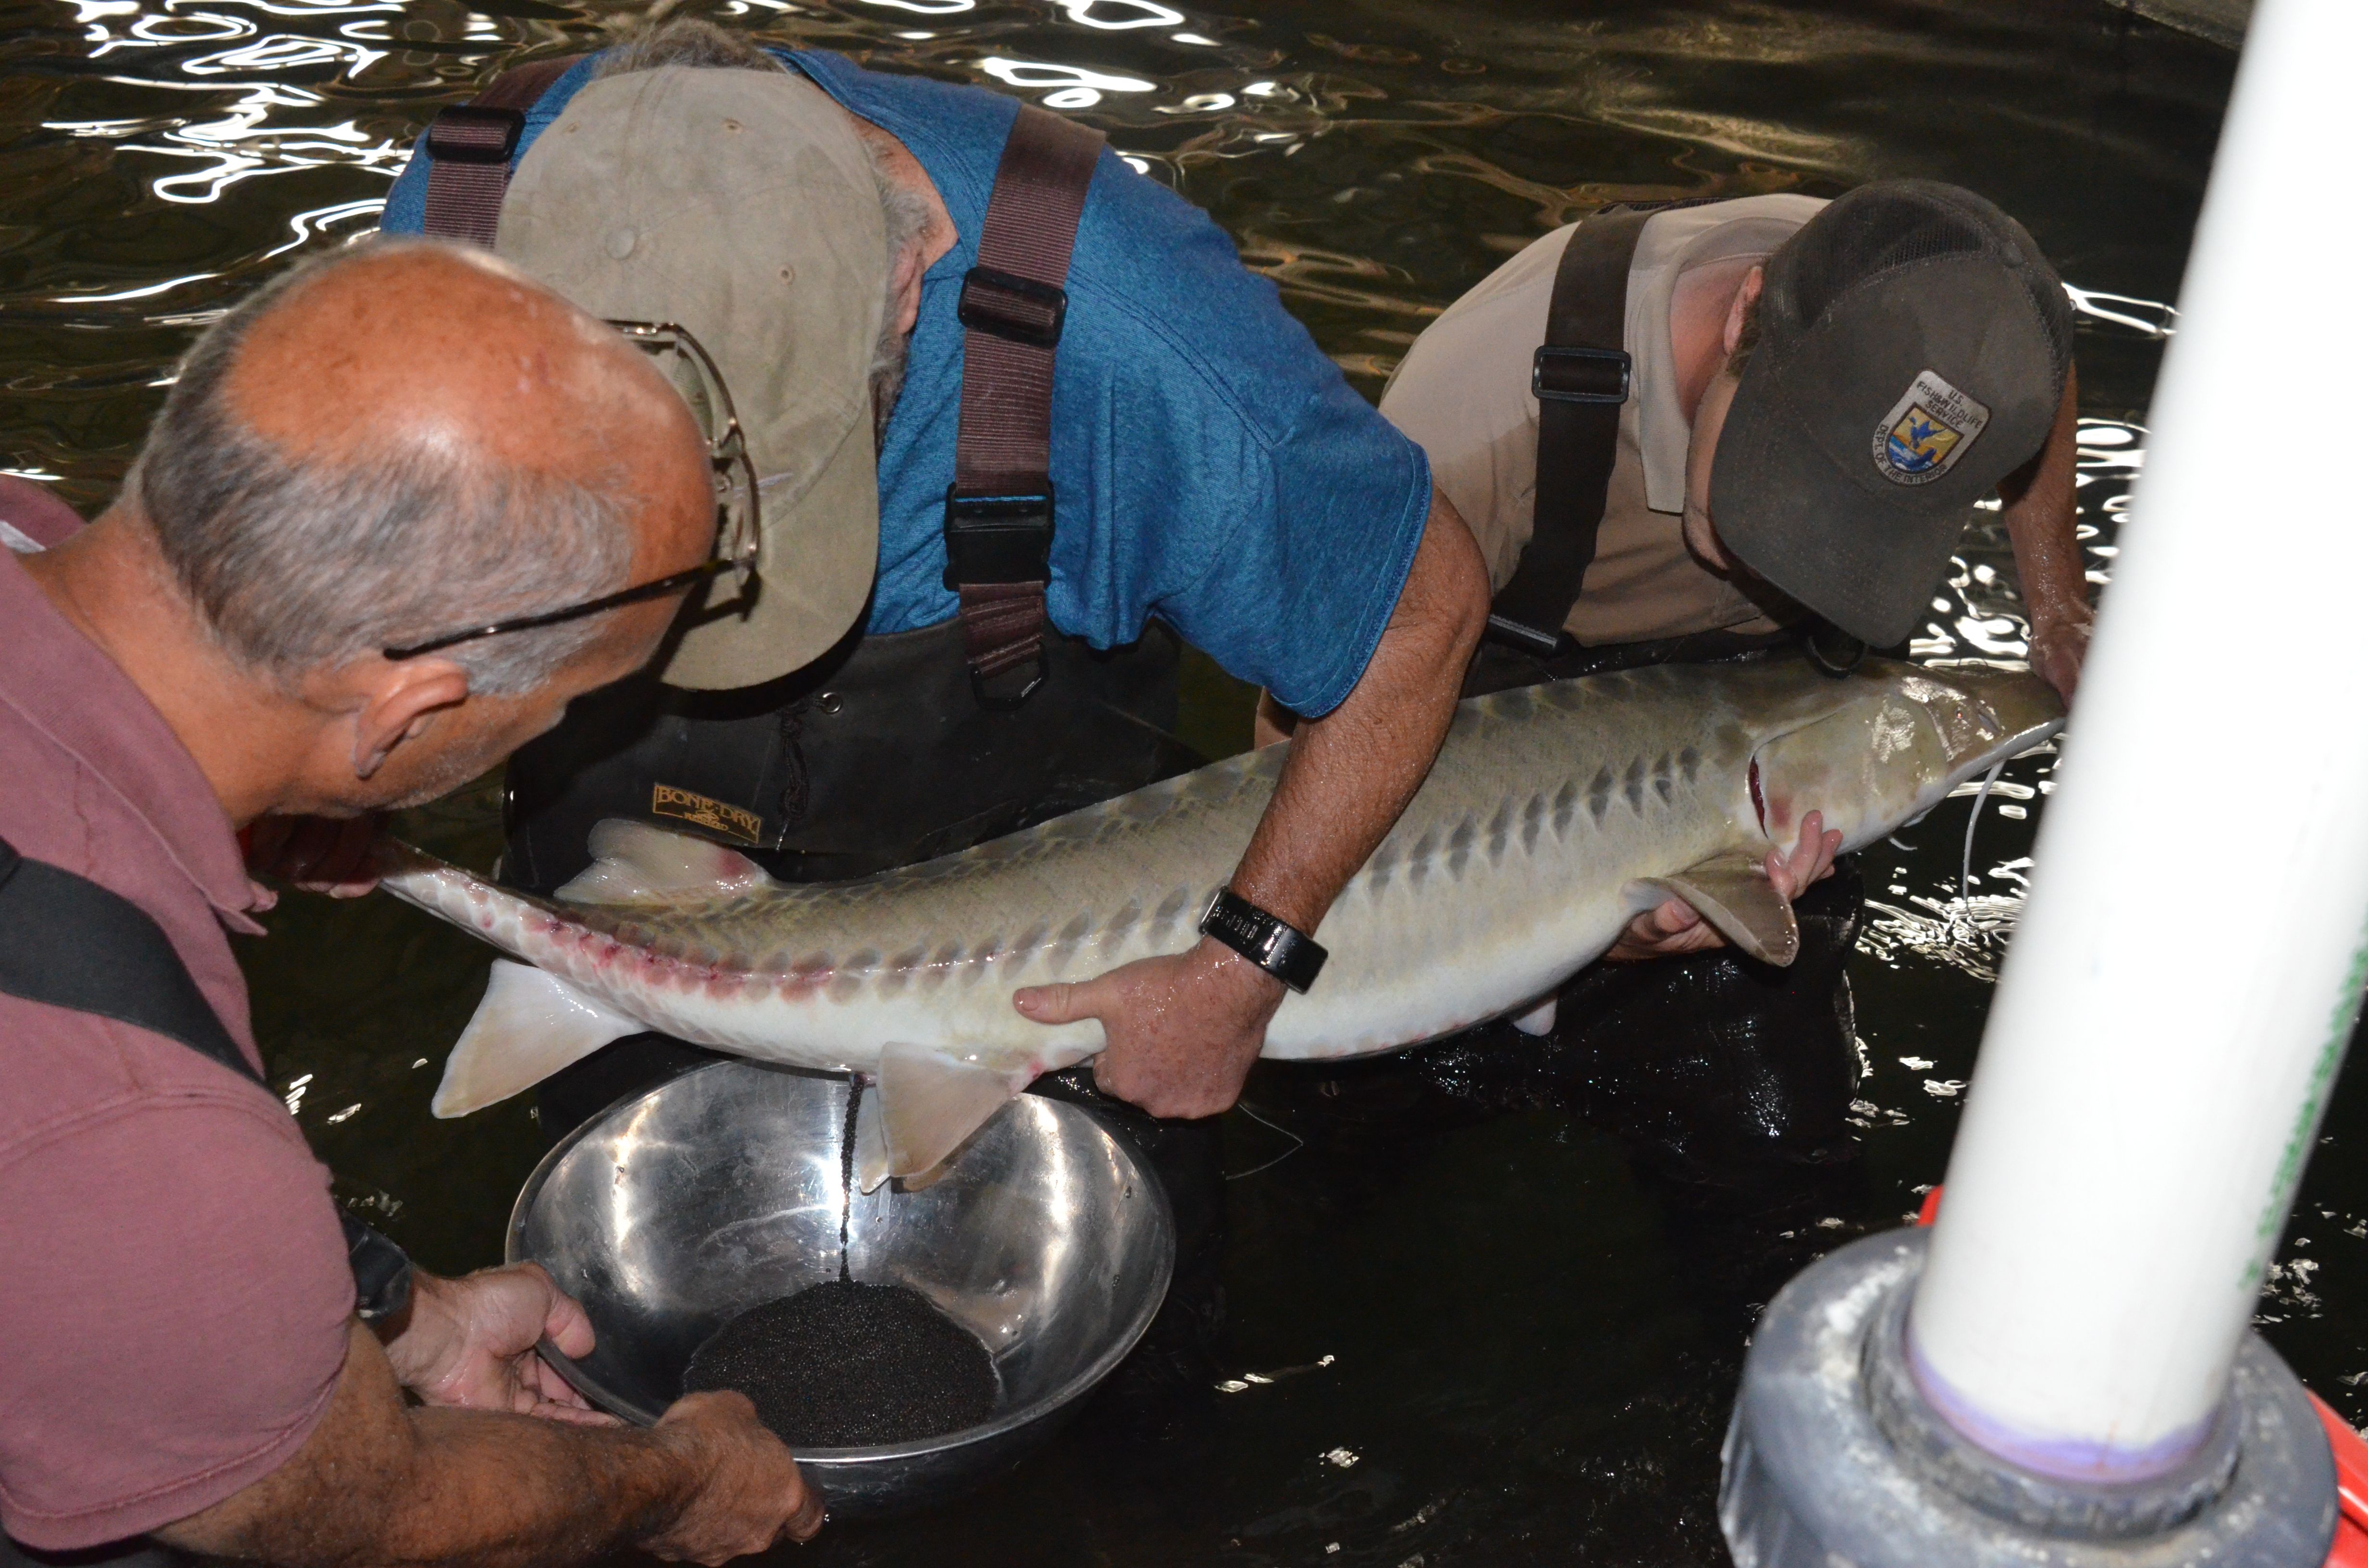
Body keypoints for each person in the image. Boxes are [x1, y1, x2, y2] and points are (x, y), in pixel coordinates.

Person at [350, 18, 1514, 1131]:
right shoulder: (450, 224)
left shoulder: (1140, 332)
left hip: (1054, 913)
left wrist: (1246, 960)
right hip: (629, 862)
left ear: (912, 276)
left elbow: (1419, 618)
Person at [0, 241, 825, 1567]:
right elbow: (342, 1515)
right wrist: (676, 1479)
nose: (559, 732)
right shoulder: (147, 1136)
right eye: (563, 708)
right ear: (404, 714)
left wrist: (396, 1308)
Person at [1381, 181, 2088, 961]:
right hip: (1516, 741)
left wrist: (2059, 608)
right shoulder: (1465, 435)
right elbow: (1304, 764)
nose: (1779, 553)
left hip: (1774, 741)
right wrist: (1604, 934)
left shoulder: (1931, 295)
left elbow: (2038, 376)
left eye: (1843, 508)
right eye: (1782, 475)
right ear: (1744, 313)